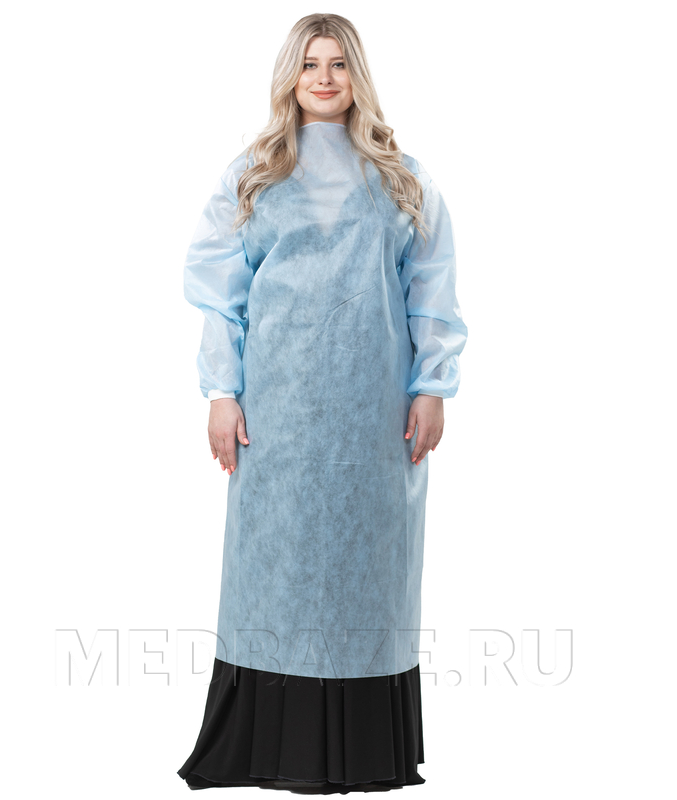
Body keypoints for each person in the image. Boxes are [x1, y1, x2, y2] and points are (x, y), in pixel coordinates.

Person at [177, 12, 468, 795]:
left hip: (374, 417)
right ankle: (264, 746)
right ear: (291, 76)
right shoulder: (255, 175)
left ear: (357, 75)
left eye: (339, 63)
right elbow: (220, 294)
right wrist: (221, 392)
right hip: (277, 414)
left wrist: (432, 386)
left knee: (366, 579)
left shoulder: (401, 179)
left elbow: (432, 289)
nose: (325, 78)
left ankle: (367, 752)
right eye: (311, 64)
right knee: (276, 577)